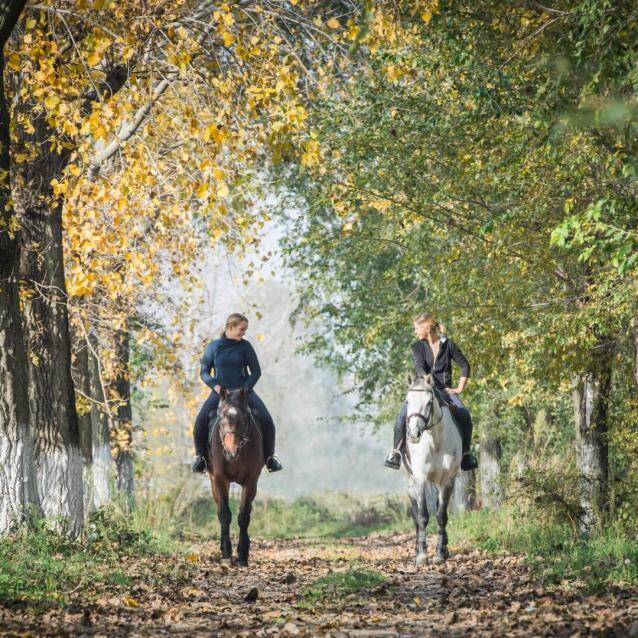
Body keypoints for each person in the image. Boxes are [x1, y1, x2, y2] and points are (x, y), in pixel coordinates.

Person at [385, 313, 479, 472]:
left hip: (446, 391)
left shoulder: (448, 344)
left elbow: (465, 365)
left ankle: (465, 454)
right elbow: (420, 367)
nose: (415, 332)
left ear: (427, 328)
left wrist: (459, 388)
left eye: (416, 328)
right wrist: (426, 380)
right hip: (424, 390)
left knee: (464, 415)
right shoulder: (417, 347)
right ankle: (396, 452)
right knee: (402, 417)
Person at [191, 312, 282, 474]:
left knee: (267, 420)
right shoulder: (213, 347)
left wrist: (245, 389)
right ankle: (200, 458)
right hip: (221, 393)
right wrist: (216, 387)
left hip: (243, 393)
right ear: (230, 327)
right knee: (200, 420)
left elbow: (256, 371)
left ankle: (270, 458)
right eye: (242, 329)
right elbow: (204, 372)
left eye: (245, 330)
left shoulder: (245, 346)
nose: (244, 333)